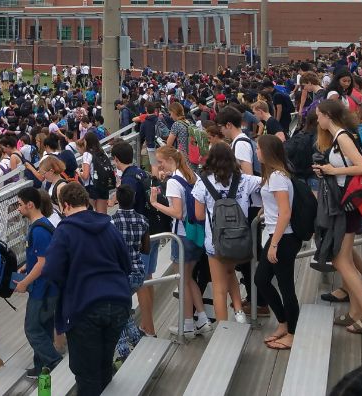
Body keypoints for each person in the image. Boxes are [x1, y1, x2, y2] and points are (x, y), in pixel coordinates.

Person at [40, 183, 133, 396]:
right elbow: (126, 265)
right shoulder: (108, 226)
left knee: (86, 373)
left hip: (84, 307)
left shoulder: (64, 231)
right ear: (86, 202)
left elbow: (51, 271)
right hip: (119, 301)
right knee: (103, 364)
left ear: (64, 205)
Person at [313, 100, 362, 334]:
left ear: (327, 116)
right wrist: (326, 170)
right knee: (347, 260)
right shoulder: (339, 137)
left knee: (341, 260)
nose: (317, 120)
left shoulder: (342, 137)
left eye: (318, 116)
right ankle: (355, 311)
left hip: (347, 206)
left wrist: (334, 171)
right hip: (344, 203)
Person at [190, 142, 262, 326]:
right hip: (239, 239)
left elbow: (198, 215)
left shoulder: (203, 181)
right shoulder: (244, 180)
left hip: (216, 241)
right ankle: (238, 311)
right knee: (230, 272)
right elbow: (267, 182)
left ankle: (224, 329)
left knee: (219, 288)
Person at [149, 145, 210, 336]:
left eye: (160, 162)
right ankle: (202, 318)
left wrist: (155, 203)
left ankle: (188, 324)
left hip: (182, 235)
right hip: (197, 234)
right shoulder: (191, 174)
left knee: (183, 280)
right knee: (190, 278)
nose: (159, 167)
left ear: (169, 160)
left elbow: (177, 212)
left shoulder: (173, 182)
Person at [12, 187, 63, 379]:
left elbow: (43, 263)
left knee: (32, 328)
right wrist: (27, 266)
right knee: (44, 327)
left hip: (42, 290)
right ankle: (41, 366)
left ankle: (54, 361)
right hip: (49, 287)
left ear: (30, 205)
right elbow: (41, 257)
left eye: (20, 204)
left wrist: (24, 282)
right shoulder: (44, 225)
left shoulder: (39, 230)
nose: (18, 209)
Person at [255, 134, 299, 351]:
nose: (256, 152)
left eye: (258, 148)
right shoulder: (273, 176)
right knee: (261, 279)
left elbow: (285, 213)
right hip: (277, 234)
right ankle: (283, 323)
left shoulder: (277, 177)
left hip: (282, 237)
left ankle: (292, 332)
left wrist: (274, 244)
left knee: (285, 287)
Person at [109, 184, 149, 361]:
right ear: (134, 200)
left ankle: (125, 350)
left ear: (117, 199)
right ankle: (138, 339)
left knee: (118, 311)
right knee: (124, 308)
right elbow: (146, 249)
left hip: (119, 274)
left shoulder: (112, 222)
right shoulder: (143, 220)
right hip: (138, 272)